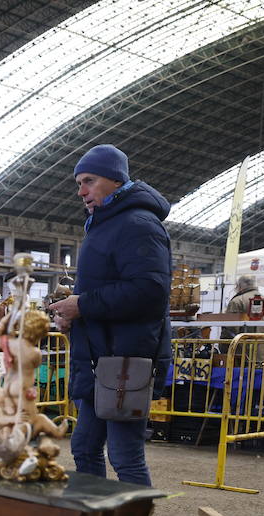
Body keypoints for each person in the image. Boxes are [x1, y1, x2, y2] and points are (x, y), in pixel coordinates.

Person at [46, 144, 171, 487]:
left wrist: (82, 305)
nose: (81, 191)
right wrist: (75, 314)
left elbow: (149, 291)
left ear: (115, 180)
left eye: (88, 180)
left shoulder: (138, 224)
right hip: (100, 359)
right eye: (78, 183)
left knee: (125, 456)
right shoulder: (104, 224)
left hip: (125, 362)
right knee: (85, 447)